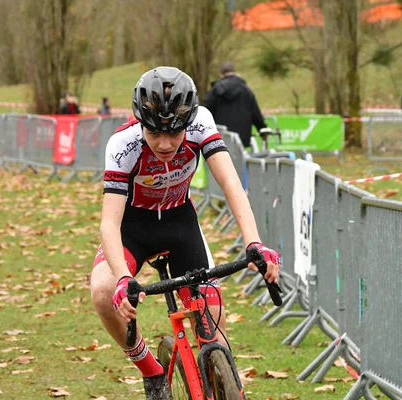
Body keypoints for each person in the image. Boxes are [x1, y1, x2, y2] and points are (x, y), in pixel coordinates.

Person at [90, 66, 281, 399]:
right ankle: (151, 371)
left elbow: (230, 183)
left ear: (188, 123)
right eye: (154, 134)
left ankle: (223, 383)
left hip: (180, 223)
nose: (165, 144)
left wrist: (255, 243)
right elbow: (109, 222)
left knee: (212, 315)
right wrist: (122, 278)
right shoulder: (123, 144)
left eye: (174, 134)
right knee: (103, 292)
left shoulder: (201, 122)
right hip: (132, 228)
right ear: (140, 124)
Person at [203, 62, 271, 151]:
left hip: (219, 139)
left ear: (221, 74)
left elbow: (206, 111)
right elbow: (256, 114)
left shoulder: (215, 90)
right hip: (242, 139)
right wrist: (262, 129)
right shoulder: (246, 90)